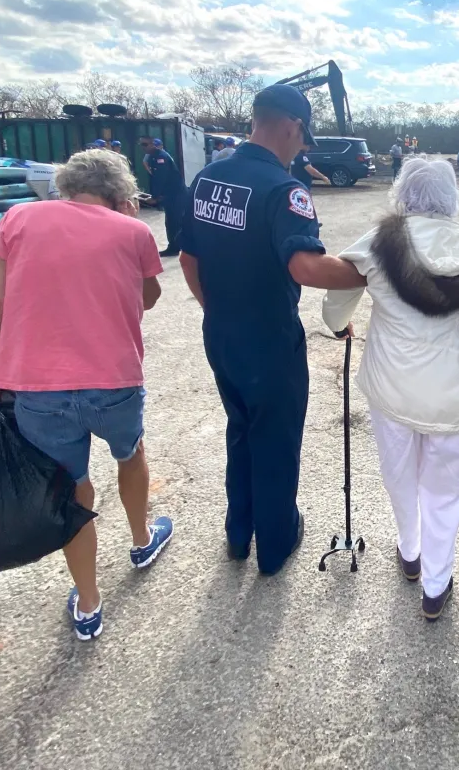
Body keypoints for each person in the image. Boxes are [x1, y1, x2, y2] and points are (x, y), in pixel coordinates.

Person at [0, 149, 172, 641]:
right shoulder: (134, 231)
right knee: (130, 453)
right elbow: (147, 298)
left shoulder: (19, 217)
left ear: (65, 186)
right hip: (115, 378)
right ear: (121, 195)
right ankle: (142, 539)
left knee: (71, 485)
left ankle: (88, 602)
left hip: (36, 384)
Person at [177, 84, 366, 575]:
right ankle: (276, 545)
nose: (303, 148)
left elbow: (188, 257)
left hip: (221, 332)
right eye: (304, 138)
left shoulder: (208, 178)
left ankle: (239, 535)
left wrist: (216, 310)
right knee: (276, 439)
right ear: (292, 126)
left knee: (241, 430)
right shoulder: (285, 190)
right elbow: (305, 266)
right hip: (269, 340)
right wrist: (368, 273)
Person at [321, 158, 459, 619]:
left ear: (402, 194)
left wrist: (338, 326)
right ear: (452, 197)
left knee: (399, 473)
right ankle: (435, 585)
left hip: (393, 389)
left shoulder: (378, 244)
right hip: (456, 395)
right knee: (445, 492)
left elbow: (337, 301)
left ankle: (409, 551)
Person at [139, 135, 185, 257]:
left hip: (175, 194)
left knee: (173, 222)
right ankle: (175, 246)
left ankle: (175, 248)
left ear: (153, 144)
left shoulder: (160, 157)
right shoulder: (154, 157)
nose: (143, 148)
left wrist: (155, 197)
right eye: (141, 145)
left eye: (145, 144)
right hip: (170, 194)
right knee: (172, 221)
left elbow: (161, 179)